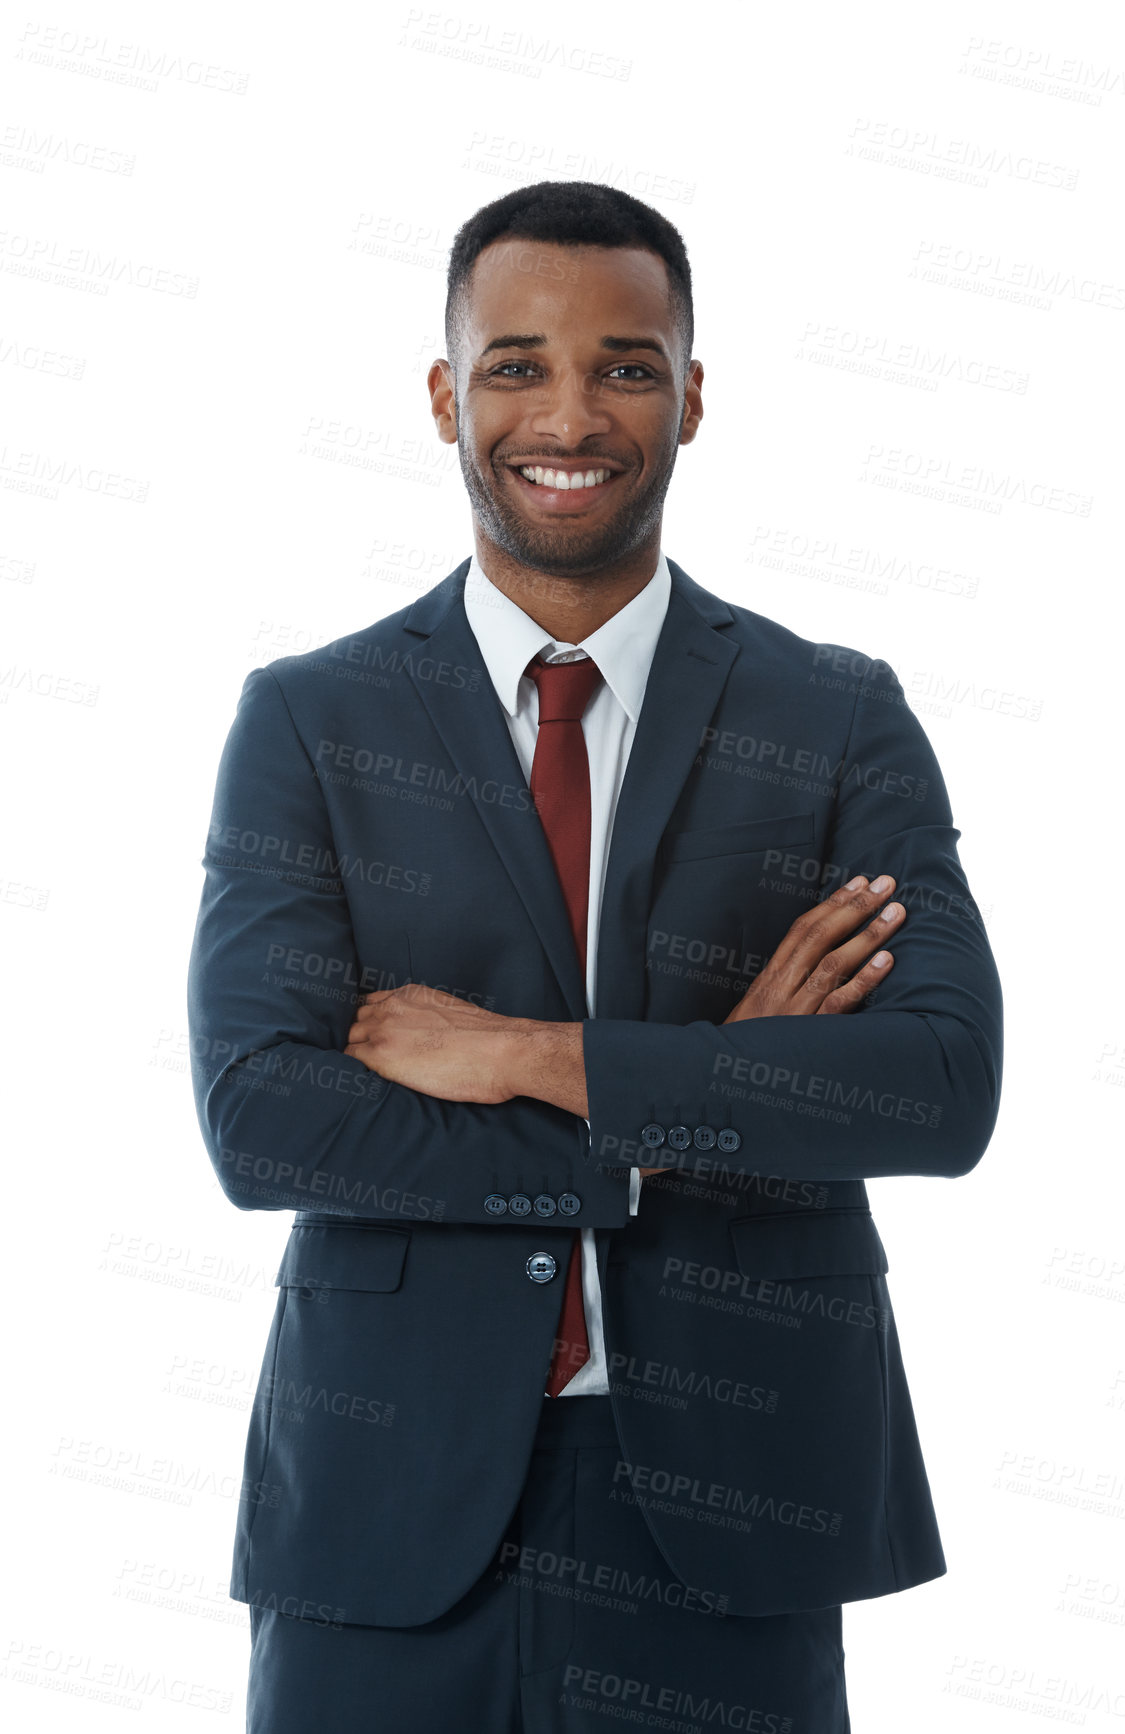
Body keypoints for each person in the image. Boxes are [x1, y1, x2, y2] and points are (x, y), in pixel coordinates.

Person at [187, 180, 1003, 1733]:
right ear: (446, 394)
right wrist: (703, 1096)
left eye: (627, 364)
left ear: (692, 396)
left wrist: (517, 1055)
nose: (571, 410)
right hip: (386, 1507)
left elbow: (936, 1087)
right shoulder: (311, 719)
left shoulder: (832, 714)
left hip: (732, 1518)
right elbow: (263, 1118)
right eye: (516, 363)